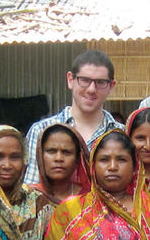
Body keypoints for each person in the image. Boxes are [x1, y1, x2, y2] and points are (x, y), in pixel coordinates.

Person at [22, 50, 123, 186]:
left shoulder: (122, 133)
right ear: (70, 80)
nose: (91, 89)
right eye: (85, 80)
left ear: (111, 86)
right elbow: (31, 191)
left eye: (100, 82)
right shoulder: (41, 130)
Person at [30, 122, 91, 209]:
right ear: (40, 156)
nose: (58, 158)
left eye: (66, 152)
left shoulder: (89, 199)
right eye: (52, 151)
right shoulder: (30, 197)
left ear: (77, 160)